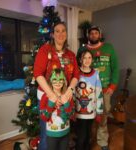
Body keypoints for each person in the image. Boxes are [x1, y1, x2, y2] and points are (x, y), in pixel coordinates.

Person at [34, 21, 79, 150]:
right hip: (47, 98)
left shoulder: (71, 55)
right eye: (57, 31)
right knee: (46, 136)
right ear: (53, 34)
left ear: (66, 34)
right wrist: (52, 95)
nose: (60, 34)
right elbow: (38, 73)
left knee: (63, 131)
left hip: (65, 98)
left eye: (63, 31)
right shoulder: (45, 50)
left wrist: (69, 91)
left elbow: (76, 75)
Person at [77, 26, 119, 150]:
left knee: (103, 117)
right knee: (86, 117)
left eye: (96, 33)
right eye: (91, 33)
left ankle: (102, 141)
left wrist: (113, 85)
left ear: (99, 35)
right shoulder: (82, 49)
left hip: (105, 90)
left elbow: (115, 67)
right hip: (86, 91)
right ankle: (86, 139)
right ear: (88, 36)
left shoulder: (109, 48)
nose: (94, 35)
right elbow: (76, 67)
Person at [40, 68, 75, 150]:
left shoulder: (68, 96)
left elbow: (72, 116)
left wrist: (66, 103)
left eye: (61, 80)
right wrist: (50, 104)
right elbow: (44, 118)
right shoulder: (45, 97)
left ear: (64, 81)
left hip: (65, 133)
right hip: (52, 134)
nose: (58, 82)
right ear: (50, 81)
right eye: (55, 79)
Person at [75, 50, 104, 150]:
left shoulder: (95, 74)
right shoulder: (76, 73)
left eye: (89, 58)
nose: (87, 60)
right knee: (81, 137)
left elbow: (99, 93)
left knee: (88, 136)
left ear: (92, 59)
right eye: (84, 58)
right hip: (78, 112)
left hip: (91, 112)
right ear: (80, 59)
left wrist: (99, 112)